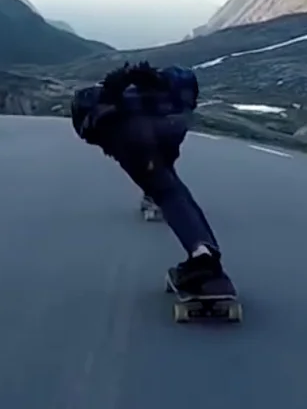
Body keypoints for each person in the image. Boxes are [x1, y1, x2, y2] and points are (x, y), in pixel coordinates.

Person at [70, 60, 231, 297]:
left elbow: (119, 123)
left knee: (166, 191)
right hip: (170, 125)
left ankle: (203, 260)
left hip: (133, 137)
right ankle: (206, 253)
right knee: (173, 189)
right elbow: (167, 150)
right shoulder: (168, 100)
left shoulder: (106, 116)